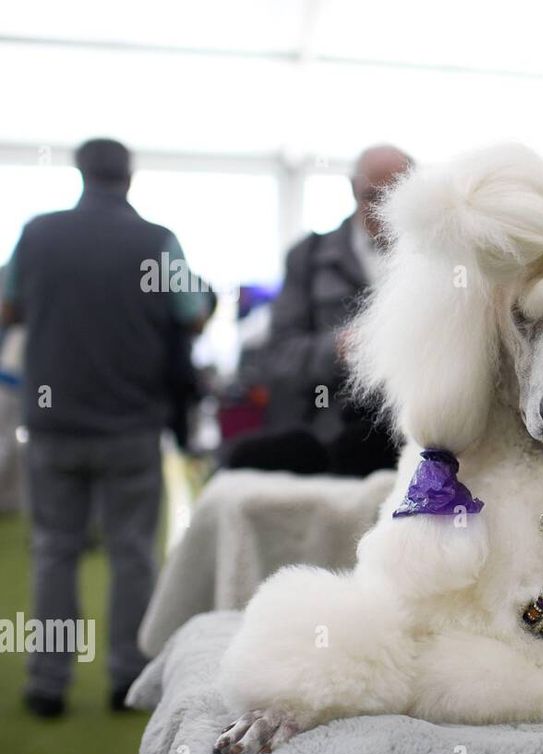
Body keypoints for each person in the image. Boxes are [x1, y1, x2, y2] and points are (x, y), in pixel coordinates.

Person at [1, 138, 206, 717]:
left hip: (52, 422)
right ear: (129, 177)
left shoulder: (36, 235)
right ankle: (127, 677)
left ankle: (47, 683)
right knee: (133, 553)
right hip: (131, 423)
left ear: (80, 172)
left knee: (54, 552)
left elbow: (8, 306)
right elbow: (193, 313)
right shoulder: (155, 242)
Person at [228, 145, 412, 476]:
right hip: (332, 449)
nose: (384, 209)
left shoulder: (439, 262)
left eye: (396, 194)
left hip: (416, 446)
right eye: (372, 196)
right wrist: (338, 348)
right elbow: (278, 357)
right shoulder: (308, 258)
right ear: (352, 189)